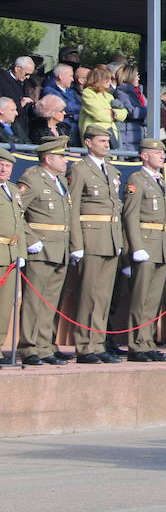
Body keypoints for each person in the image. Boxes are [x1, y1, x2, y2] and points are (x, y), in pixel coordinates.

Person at [66, 125, 125, 363]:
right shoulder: (79, 170)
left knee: (103, 296)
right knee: (88, 294)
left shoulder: (111, 170)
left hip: (110, 239)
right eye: (101, 141)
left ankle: (97, 343)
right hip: (90, 239)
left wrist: (118, 240)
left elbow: (115, 208)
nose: (106, 145)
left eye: (107, 141)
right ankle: (84, 345)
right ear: (88, 142)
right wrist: (76, 243)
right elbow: (73, 207)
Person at [17, 137, 75, 365]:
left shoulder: (60, 179)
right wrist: (30, 239)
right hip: (40, 248)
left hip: (59, 248)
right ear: (48, 158)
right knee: (34, 301)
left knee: (50, 301)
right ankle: (28, 346)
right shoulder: (32, 179)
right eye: (62, 156)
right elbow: (17, 212)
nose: (66, 160)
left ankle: (44, 345)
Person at [121, 138, 166, 362]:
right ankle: (136, 344)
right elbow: (130, 214)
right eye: (157, 153)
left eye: (162, 153)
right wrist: (136, 247)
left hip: (160, 244)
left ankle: (147, 341)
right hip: (145, 242)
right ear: (144, 156)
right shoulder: (137, 179)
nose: (162, 156)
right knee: (140, 298)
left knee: (153, 299)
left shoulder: (160, 180)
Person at [0, 147, 24, 362]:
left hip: (10, 255)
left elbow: (20, 223)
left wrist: (21, 252)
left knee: (6, 305)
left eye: (7, 166)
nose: (3, 168)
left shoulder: (13, 190)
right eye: (0, 164)